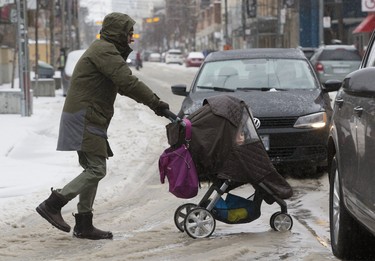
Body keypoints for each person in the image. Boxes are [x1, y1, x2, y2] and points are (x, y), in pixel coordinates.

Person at [36, 12, 169, 240]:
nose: (132, 39)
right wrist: (156, 103)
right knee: (97, 169)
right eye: (129, 34)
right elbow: (128, 82)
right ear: (119, 33)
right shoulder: (104, 50)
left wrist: (155, 105)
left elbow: (123, 84)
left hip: (88, 116)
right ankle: (53, 203)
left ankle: (84, 225)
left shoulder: (104, 49)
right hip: (85, 117)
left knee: (92, 169)